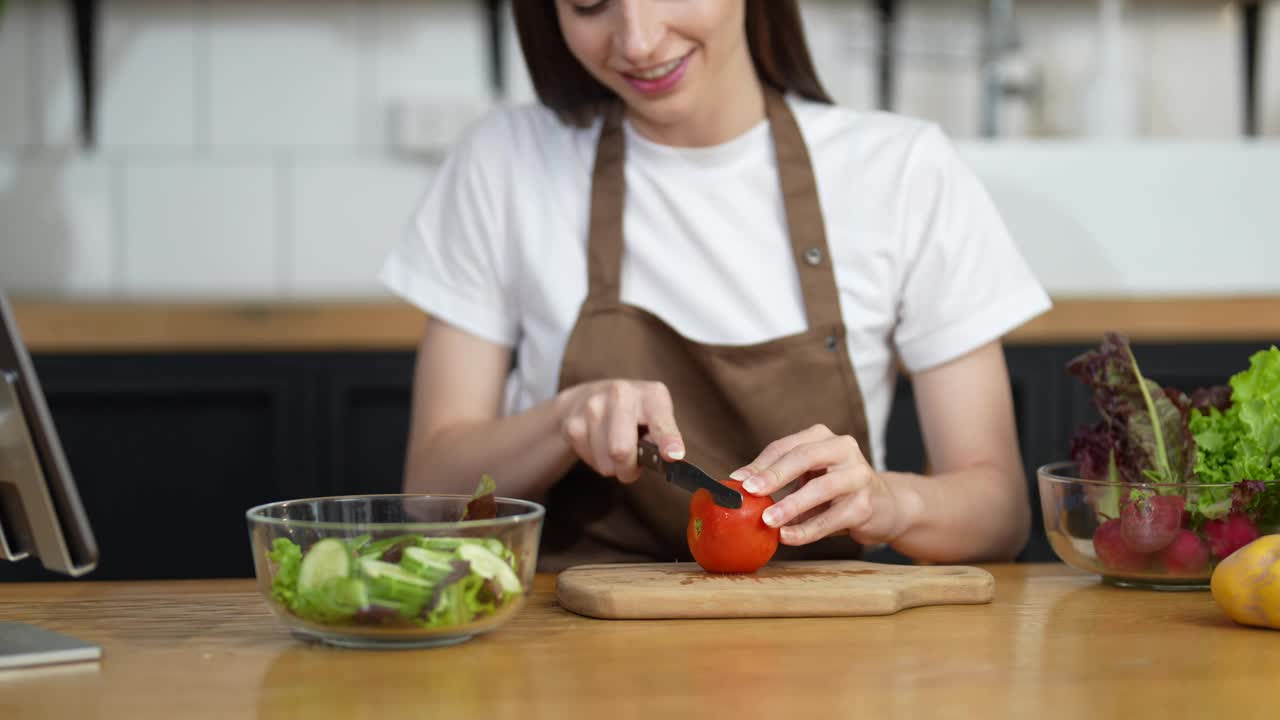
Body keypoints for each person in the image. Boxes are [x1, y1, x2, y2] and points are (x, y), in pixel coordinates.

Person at [378, 0, 1051, 571]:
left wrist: (892, 503)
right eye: (589, 2)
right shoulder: (505, 162)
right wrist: (562, 420)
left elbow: (998, 511)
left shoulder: (902, 171)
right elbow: (428, 491)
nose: (637, 40)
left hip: (828, 663)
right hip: (566, 656)